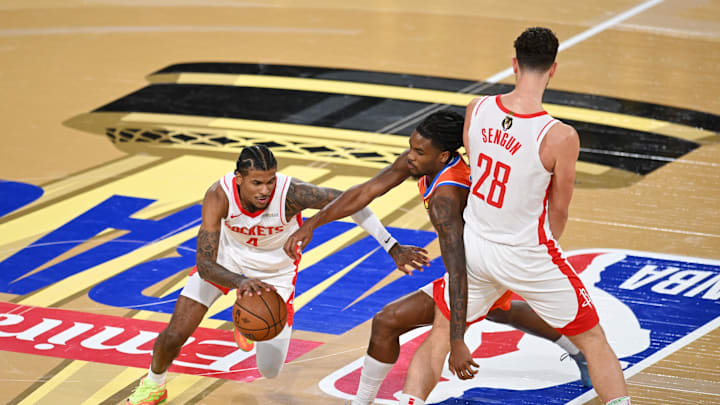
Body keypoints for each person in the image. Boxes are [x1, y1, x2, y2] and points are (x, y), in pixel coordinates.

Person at [283, 111, 591, 405]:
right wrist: (312, 224)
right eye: (410, 147)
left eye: (418, 151)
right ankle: (580, 351)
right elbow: (364, 192)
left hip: (485, 264)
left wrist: (457, 341)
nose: (410, 156)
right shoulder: (427, 162)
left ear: (443, 156)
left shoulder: (446, 199)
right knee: (499, 310)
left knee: (389, 322)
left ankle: (366, 401)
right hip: (492, 255)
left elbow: (458, 272)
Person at [396, 28, 630, 405]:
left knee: (441, 333)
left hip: (477, 247)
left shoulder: (479, 109)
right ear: (553, 69)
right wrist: (537, 254)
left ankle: (409, 401)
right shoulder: (560, 136)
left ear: (513, 64)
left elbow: (476, 170)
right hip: (525, 252)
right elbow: (559, 208)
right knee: (592, 340)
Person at [126, 145, 428, 405]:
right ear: (239, 179)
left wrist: (392, 246)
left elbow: (353, 200)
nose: (265, 190)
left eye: (270, 181)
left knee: (269, 369)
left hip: (275, 274)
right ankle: (153, 385)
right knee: (176, 332)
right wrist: (240, 282)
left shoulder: (291, 194)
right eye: (257, 182)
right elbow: (205, 264)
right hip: (226, 264)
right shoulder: (218, 195)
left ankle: (247, 319)